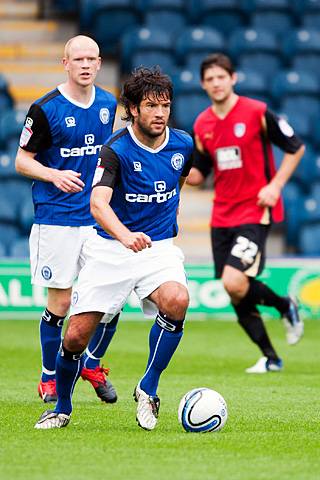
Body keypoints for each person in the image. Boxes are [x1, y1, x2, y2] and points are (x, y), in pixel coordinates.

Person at [34, 66, 193, 431]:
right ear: (133, 109)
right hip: (111, 249)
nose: (160, 114)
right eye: (151, 106)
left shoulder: (183, 144)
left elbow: (179, 180)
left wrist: (164, 219)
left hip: (158, 248)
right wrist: (124, 235)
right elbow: (98, 205)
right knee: (75, 336)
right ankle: (61, 407)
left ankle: (148, 388)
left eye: (165, 106)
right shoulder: (115, 149)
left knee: (178, 300)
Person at [15, 35, 119, 404]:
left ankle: (90, 363)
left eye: (92, 58)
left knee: (110, 301)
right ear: (65, 63)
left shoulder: (109, 103)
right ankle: (48, 376)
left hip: (95, 219)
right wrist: (53, 174)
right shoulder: (45, 108)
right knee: (61, 303)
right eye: (79, 59)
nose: (86, 65)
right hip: (56, 218)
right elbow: (21, 160)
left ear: (100, 62)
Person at [187, 53, 305, 374]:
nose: (215, 83)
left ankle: (284, 306)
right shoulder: (202, 124)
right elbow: (200, 172)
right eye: (209, 79)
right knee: (234, 290)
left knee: (233, 280)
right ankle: (271, 356)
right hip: (221, 215)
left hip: (255, 210)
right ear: (203, 84)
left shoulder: (256, 112)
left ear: (233, 78)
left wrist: (276, 185)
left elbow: (296, 147)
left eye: (220, 77)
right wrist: (173, 173)